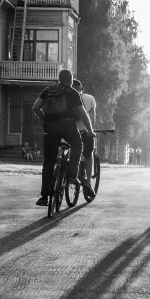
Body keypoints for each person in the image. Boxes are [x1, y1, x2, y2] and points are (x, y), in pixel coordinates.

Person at [31, 68, 94, 206]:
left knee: (48, 162)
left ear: (59, 79)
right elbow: (83, 114)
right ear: (71, 80)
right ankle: (71, 175)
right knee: (78, 146)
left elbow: (35, 107)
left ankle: (44, 197)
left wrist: (45, 120)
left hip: (50, 128)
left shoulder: (48, 91)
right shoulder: (72, 92)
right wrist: (90, 130)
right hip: (67, 127)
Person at [71, 79, 97, 200]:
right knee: (89, 154)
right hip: (85, 131)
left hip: (69, 130)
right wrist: (92, 130)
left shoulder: (67, 96)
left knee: (70, 151)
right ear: (82, 89)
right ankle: (88, 181)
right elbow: (93, 119)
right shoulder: (90, 98)